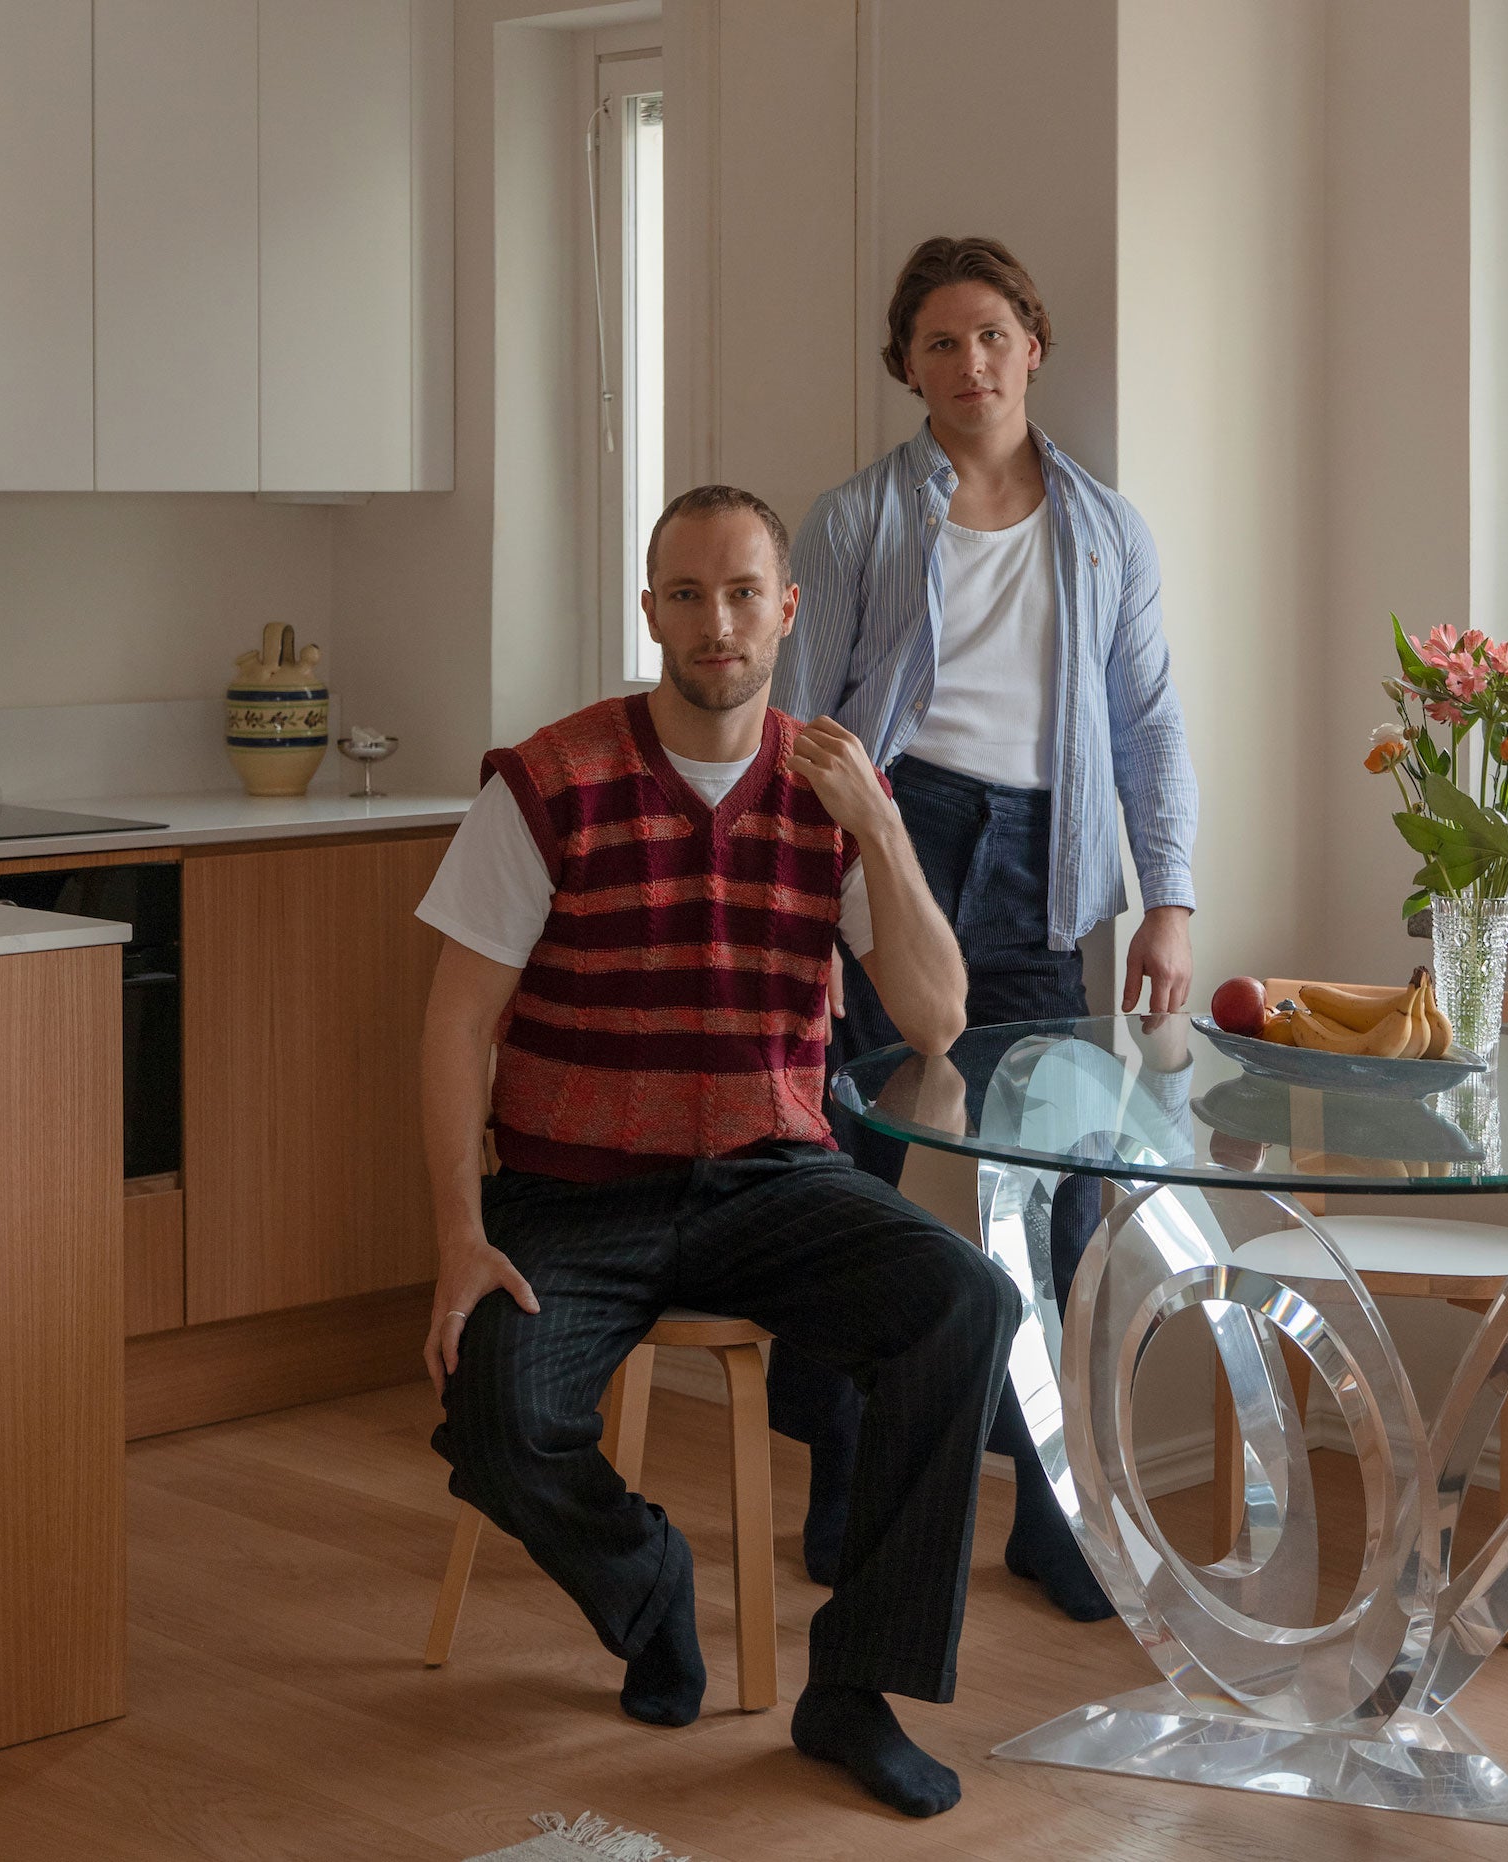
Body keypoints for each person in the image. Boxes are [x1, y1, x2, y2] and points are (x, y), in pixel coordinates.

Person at [414, 483, 1022, 1820]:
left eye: (743, 594)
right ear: (651, 611)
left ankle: (852, 1691)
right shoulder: (549, 783)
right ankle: (649, 1588)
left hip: (770, 1177)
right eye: (686, 595)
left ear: (785, 610)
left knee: (966, 1303)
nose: (716, 623)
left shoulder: (829, 788)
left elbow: (936, 1019)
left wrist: (881, 826)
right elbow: (456, 1027)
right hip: (574, 1191)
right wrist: (461, 1236)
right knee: (497, 1407)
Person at [767, 235, 1199, 1620]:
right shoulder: (855, 520)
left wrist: (1168, 897)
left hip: (1041, 864)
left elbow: (1146, 724)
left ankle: (1056, 1510)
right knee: (854, 1174)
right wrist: (805, 896)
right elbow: (799, 721)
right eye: (940, 343)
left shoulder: (1105, 529)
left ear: (1034, 346)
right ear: (907, 366)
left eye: (993, 335)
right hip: (892, 844)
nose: (971, 364)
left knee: (1062, 1191)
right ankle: (843, 1479)